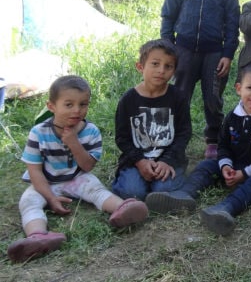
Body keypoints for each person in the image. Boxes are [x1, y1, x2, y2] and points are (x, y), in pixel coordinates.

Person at [7, 75, 148, 263]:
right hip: (45, 181)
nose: (77, 110)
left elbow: (87, 166)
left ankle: (122, 209)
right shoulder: (38, 132)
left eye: (83, 104)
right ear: (51, 106)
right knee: (28, 201)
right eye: (68, 104)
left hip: (76, 177)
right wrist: (50, 197)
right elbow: (35, 171)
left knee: (95, 188)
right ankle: (37, 236)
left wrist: (74, 143)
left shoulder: (91, 131)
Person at [144, 64, 251, 236]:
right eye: (250, 88)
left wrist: (245, 173)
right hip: (234, 163)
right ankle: (184, 194)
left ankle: (226, 209)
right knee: (206, 166)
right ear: (239, 89)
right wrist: (225, 165)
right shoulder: (232, 117)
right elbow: (223, 144)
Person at [160, 0, 240, 160]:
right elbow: (168, 16)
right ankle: (177, 139)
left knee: (213, 98)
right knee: (179, 95)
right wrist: (169, 48)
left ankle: (213, 139)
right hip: (182, 51)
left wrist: (228, 54)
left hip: (214, 53)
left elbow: (233, 26)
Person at [112, 39, 192, 200]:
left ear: (174, 70)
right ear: (140, 67)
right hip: (136, 161)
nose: (161, 70)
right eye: (155, 64)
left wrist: (167, 161)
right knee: (132, 192)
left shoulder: (178, 97)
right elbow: (122, 138)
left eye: (168, 66)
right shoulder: (128, 100)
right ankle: (134, 183)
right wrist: (140, 161)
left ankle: (162, 189)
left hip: (168, 160)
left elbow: (184, 133)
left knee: (163, 188)